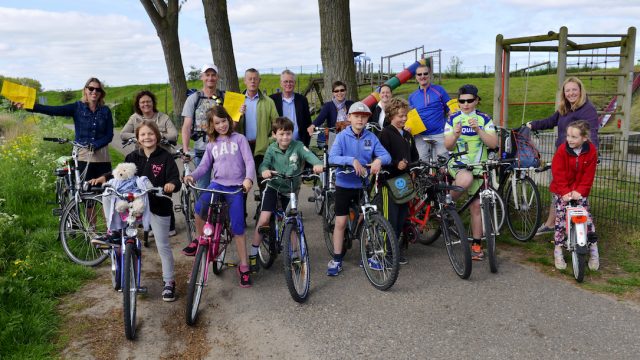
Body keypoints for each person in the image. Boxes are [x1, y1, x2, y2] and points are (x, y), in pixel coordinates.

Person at [89, 121, 181, 301]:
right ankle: (114, 233)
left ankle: (169, 282)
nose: (147, 137)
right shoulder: (133, 156)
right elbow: (120, 172)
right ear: (138, 138)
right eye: (143, 135)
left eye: (151, 134)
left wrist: (171, 185)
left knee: (163, 245)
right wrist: (104, 178)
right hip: (134, 204)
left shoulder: (165, 157)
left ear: (157, 136)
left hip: (158, 205)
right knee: (111, 196)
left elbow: (175, 179)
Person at [183, 106, 255, 287]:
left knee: (238, 226)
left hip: (236, 187)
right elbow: (204, 167)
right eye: (217, 123)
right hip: (217, 184)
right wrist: (192, 175)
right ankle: (201, 240)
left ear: (229, 121)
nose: (221, 125)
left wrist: (248, 179)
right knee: (199, 208)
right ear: (211, 125)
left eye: (224, 121)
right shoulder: (211, 144)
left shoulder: (239, 139)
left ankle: (244, 266)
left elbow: (249, 161)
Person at [526, 76, 599, 236]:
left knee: (577, 192)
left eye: (574, 90)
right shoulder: (564, 109)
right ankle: (554, 224)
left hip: (578, 158)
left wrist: (593, 155)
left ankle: (575, 228)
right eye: (568, 90)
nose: (571, 93)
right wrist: (532, 124)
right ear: (564, 93)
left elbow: (592, 132)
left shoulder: (587, 110)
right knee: (559, 191)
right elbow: (550, 121)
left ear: (580, 91)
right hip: (562, 157)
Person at [250, 117, 324, 273]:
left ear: (292, 134)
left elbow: (309, 155)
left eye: (288, 134)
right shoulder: (271, 148)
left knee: (291, 220)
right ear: (274, 135)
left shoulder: (298, 146)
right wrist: (264, 170)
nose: (285, 137)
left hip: (291, 188)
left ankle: (296, 255)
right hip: (273, 186)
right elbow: (264, 163)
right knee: (264, 218)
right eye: (282, 134)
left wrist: (317, 164)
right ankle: (253, 253)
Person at [326, 102, 391, 276]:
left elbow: (386, 155)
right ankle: (337, 259)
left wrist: (378, 160)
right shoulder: (342, 137)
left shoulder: (371, 137)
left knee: (367, 218)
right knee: (340, 222)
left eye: (363, 116)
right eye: (356, 116)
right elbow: (333, 157)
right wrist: (351, 160)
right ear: (349, 118)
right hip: (344, 185)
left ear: (367, 119)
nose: (360, 119)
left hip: (363, 185)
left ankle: (368, 255)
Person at [15, 77, 113, 180]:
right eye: (91, 88)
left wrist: (96, 144)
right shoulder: (77, 107)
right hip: (82, 158)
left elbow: (109, 135)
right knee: (84, 192)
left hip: (103, 159)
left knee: (105, 192)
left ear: (101, 93)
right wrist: (30, 106)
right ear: (85, 90)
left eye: (98, 89)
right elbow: (53, 110)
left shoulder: (106, 111)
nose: (94, 91)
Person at [444, 85, 498, 261]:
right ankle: (447, 202)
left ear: (476, 101)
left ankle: (476, 244)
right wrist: (456, 135)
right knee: (465, 179)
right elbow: (448, 146)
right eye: (461, 101)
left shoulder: (484, 119)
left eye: (469, 101)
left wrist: (478, 130)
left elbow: (493, 144)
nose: (465, 104)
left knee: (476, 206)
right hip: (459, 164)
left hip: (479, 166)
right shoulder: (453, 119)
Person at [121, 90, 179, 236]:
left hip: (161, 156)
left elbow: (173, 134)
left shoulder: (163, 117)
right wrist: (138, 136)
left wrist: (158, 135)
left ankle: (169, 224)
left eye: (148, 101)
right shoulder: (134, 118)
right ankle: (148, 222)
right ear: (138, 105)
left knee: (163, 191)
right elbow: (123, 134)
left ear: (153, 102)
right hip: (142, 157)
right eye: (142, 102)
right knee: (143, 190)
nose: (145, 104)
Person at [549, 120, 599, 270]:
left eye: (574, 137)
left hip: (579, 192)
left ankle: (594, 252)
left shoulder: (591, 151)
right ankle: (558, 250)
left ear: (584, 138)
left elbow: (588, 175)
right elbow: (558, 173)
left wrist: (580, 191)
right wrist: (564, 192)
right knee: (560, 221)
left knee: (587, 221)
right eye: (568, 135)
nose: (570, 139)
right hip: (562, 191)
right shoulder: (562, 150)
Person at [377, 98, 419, 265]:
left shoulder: (408, 135)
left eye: (405, 115)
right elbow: (381, 157)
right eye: (400, 116)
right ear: (391, 115)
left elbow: (414, 156)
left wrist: (414, 169)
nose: (403, 119)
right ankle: (387, 253)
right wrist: (396, 164)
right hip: (389, 182)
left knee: (402, 217)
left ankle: (397, 249)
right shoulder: (385, 134)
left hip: (404, 182)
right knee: (390, 218)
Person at [181, 64, 226, 189]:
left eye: (213, 75)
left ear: (217, 77)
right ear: (202, 77)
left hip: (221, 149)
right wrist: (185, 149)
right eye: (207, 75)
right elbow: (186, 126)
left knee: (224, 185)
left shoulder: (225, 98)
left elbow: (231, 125)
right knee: (203, 187)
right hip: (201, 149)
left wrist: (239, 113)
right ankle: (202, 209)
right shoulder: (193, 98)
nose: (210, 78)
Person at [408, 64, 451, 161]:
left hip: (439, 133)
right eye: (419, 74)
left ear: (430, 75)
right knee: (423, 163)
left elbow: (450, 110)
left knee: (442, 162)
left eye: (425, 73)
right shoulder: (412, 96)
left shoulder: (439, 90)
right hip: (420, 135)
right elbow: (410, 116)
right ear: (416, 77)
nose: (422, 76)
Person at [269, 70, 313, 146]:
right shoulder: (272, 100)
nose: (288, 84)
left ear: (295, 83)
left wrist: (306, 142)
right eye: (285, 81)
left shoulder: (302, 100)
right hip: (278, 144)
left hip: (299, 144)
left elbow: (307, 122)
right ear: (281, 83)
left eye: (291, 81)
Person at [306, 81, 354, 147]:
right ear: (333, 93)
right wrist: (313, 125)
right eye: (336, 91)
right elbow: (320, 118)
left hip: (350, 135)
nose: (339, 93)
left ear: (345, 91)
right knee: (332, 155)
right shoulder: (328, 106)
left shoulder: (351, 104)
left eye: (342, 90)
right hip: (333, 135)